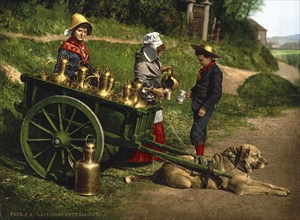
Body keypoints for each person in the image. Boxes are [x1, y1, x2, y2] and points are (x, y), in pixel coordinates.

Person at [125, 32, 169, 162]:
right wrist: (154, 90)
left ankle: (157, 153)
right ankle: (142, 157)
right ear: (150, 48)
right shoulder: (141, 63)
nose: (159, 52)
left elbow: (153, 73)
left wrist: (163, 70)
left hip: (154, 94)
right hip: (143, 95)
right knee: (145, 122)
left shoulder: (154, 59)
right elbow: (141, 83)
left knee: (157, 118)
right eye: (157, 49)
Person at [188, 44, 223, 156]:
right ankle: (200, 157)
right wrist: (192, 91)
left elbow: (216, 94)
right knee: (200, 131)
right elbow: (201, 85)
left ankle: (199, 159)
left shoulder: (215, 72)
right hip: (197, 104)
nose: (200, 62)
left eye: (201, 60)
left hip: (204, 105)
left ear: (209, 58)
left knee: (196, 132)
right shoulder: (205, 69)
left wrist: (204, 107)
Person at [54, 13, 94, 80]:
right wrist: (75, 74)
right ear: (73, 30)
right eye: (79, 31)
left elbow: (86, 66)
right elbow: (58, 69)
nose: (82, 34)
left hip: (82, 81)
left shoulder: (83, 48)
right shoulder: (66, 48)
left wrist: (94, 74)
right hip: (67, 81)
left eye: (85, 32)